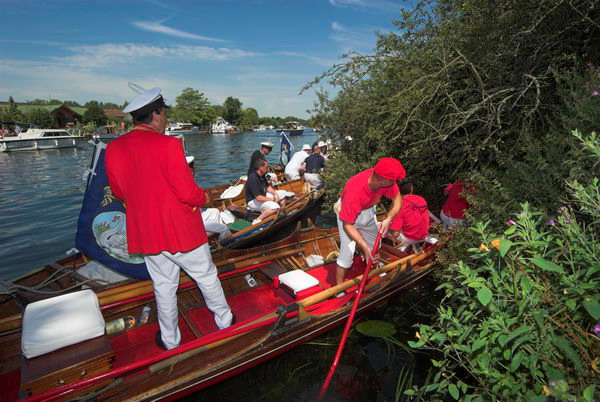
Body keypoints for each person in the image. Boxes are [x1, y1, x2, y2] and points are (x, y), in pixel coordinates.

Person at [105, 87, 233, 351]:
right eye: (164, 114)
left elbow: (119, 192)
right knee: (206, 277)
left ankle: (170, 341)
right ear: (155, 115)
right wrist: (205, 199)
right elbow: (188, 193)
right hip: (181, 230)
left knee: (163, 286)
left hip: (147, 234)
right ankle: (225, 322)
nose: (166, 120)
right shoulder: (170, 145)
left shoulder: (114, 148)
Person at [335, 157, 405, 286]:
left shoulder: (386, 181)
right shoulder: (355, 191)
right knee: (347, 254)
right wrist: (362, 245)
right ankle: (338, 290)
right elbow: (347, 224)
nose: (395, 183)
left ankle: (373, 270)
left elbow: (398, 201)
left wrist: (388, 219)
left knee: (374, 247)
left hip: (368, 210)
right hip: (347, 216)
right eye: (393, 180)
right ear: (384, 180)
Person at [245, 159, 291, 225]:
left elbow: (267, 187)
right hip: (253, 201)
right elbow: (258, 198)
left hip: (262, 196)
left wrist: (275, 194)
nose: (268, 168)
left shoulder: (262, 175)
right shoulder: (253, 178)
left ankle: (281, 215)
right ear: (261, 168)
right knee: (275, 207)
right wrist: (273, 199)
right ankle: (257, 220)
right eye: (266, 167)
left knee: (282, 195)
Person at [389, 181, 430, 251]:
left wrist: (389, 227)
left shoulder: (400, 205)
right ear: (411, 189)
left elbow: (395, 234)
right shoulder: (421, 199)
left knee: (382, 227)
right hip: (424, 235)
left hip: (410, 238)